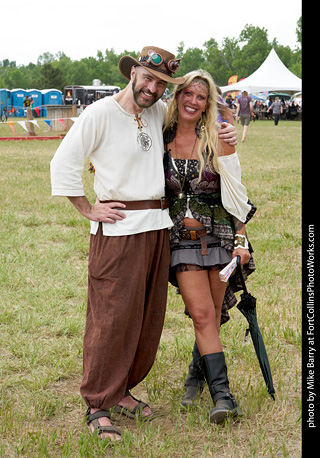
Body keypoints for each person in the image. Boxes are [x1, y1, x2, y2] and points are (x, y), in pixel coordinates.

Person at [50, 46, 238, 441]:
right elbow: (63, 163)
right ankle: (98, 402)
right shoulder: (99, 113)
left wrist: (227, 132)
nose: (152, 88)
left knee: (145, 318)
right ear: (133, 72)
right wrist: (87, 208)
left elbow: (196, 123)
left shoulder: (156, 114)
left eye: (160, 84)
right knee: (111, 317)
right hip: (118, 231)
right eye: (147, 79)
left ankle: (122, 391)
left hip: (158, 228)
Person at [163, 69, 256, 424]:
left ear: (207, 104)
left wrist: (241, 240)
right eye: (188, 93)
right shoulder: (162, 138)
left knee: (212, 318)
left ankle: (194, 378)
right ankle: (224, 396)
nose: (193, 101)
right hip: (181, 243)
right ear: (178, 96)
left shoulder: (220, 138)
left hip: (219, 239)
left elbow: (236, 192)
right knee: (202, 314)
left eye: (201, 97)